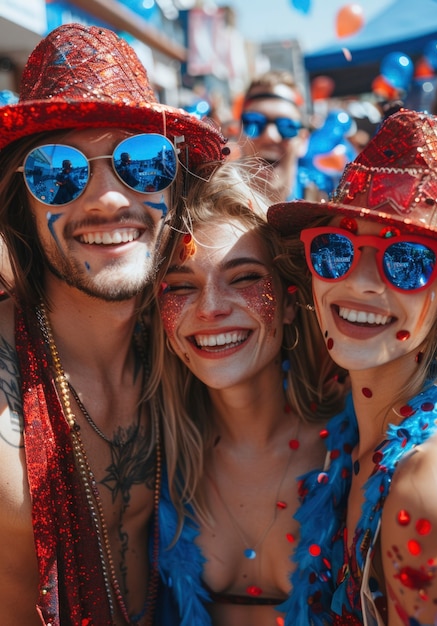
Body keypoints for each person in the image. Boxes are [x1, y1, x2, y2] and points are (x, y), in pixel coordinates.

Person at [0, 22, 226, 626]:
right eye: (57, 170)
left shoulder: (198, 349)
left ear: (174, 189)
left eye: (142, 163)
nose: (107, 199)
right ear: (22, 197)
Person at [267, 108, 437, 625]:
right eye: (335, 250)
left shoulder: (433, 483)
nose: (359, 283)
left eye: (406, 260)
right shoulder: (349, 435)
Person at [152, 160, 347, 625]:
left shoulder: (353, 455)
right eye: (181, 287)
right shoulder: (154, 463)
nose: (212, 308)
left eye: (243, 278)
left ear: (288, 303)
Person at [238, 70, 314, 204]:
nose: (270, 136)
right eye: (254, 123)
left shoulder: (327, 206)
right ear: (239, 135)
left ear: (303, 140)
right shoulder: (209, 212)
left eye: (286, 126)